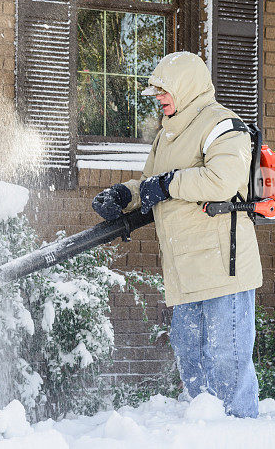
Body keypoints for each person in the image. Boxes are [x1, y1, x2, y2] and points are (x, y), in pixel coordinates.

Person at [91, 52, 262, 418]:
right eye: (155, 91)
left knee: (227, 359)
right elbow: (151, 183)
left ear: (185, 86)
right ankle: (204, 428)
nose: (158, 97)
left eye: (163, 90)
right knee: (190, 353)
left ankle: (240, 433)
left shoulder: (222, 124)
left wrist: (168, 185)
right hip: (184, 270)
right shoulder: (167, 134)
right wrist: (125, 195)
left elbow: (223, 180)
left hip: (223, 268)